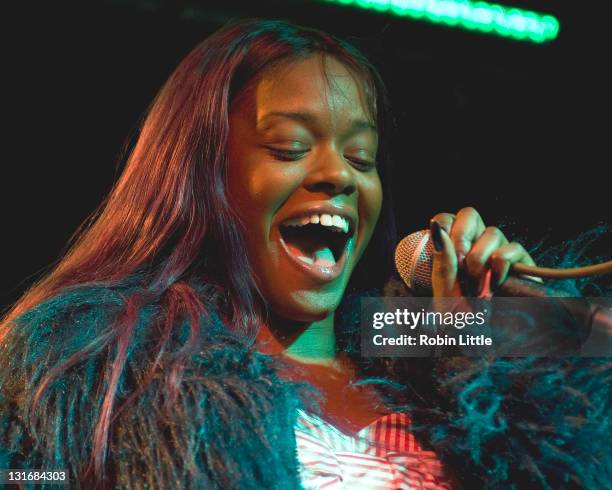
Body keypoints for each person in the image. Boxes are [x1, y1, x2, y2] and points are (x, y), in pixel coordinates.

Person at [0, 18, 609, 489]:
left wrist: (491, 335)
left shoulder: (416, 345)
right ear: (200, 175)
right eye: (290, 147)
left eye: (361, 157)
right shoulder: (99, 359)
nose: (338, 175)